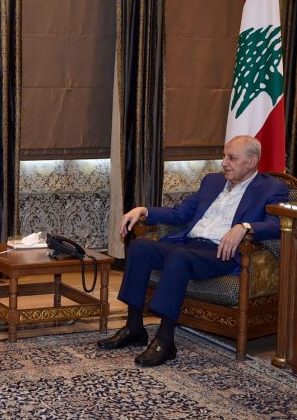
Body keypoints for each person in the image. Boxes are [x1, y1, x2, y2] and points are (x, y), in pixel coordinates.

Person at [97, 135, 288, 366]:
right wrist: (144, 210)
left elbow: (277, 225)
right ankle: (134, 327)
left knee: (178, 257)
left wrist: (245, 227)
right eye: (224, 156)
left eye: (231, 158)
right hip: (189, 245)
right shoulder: (212, 181)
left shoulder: (272, 188)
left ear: (252, 161)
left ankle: (165, 339)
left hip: (220, 253)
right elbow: (180, 214)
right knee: (139, 247)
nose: (224, 162)